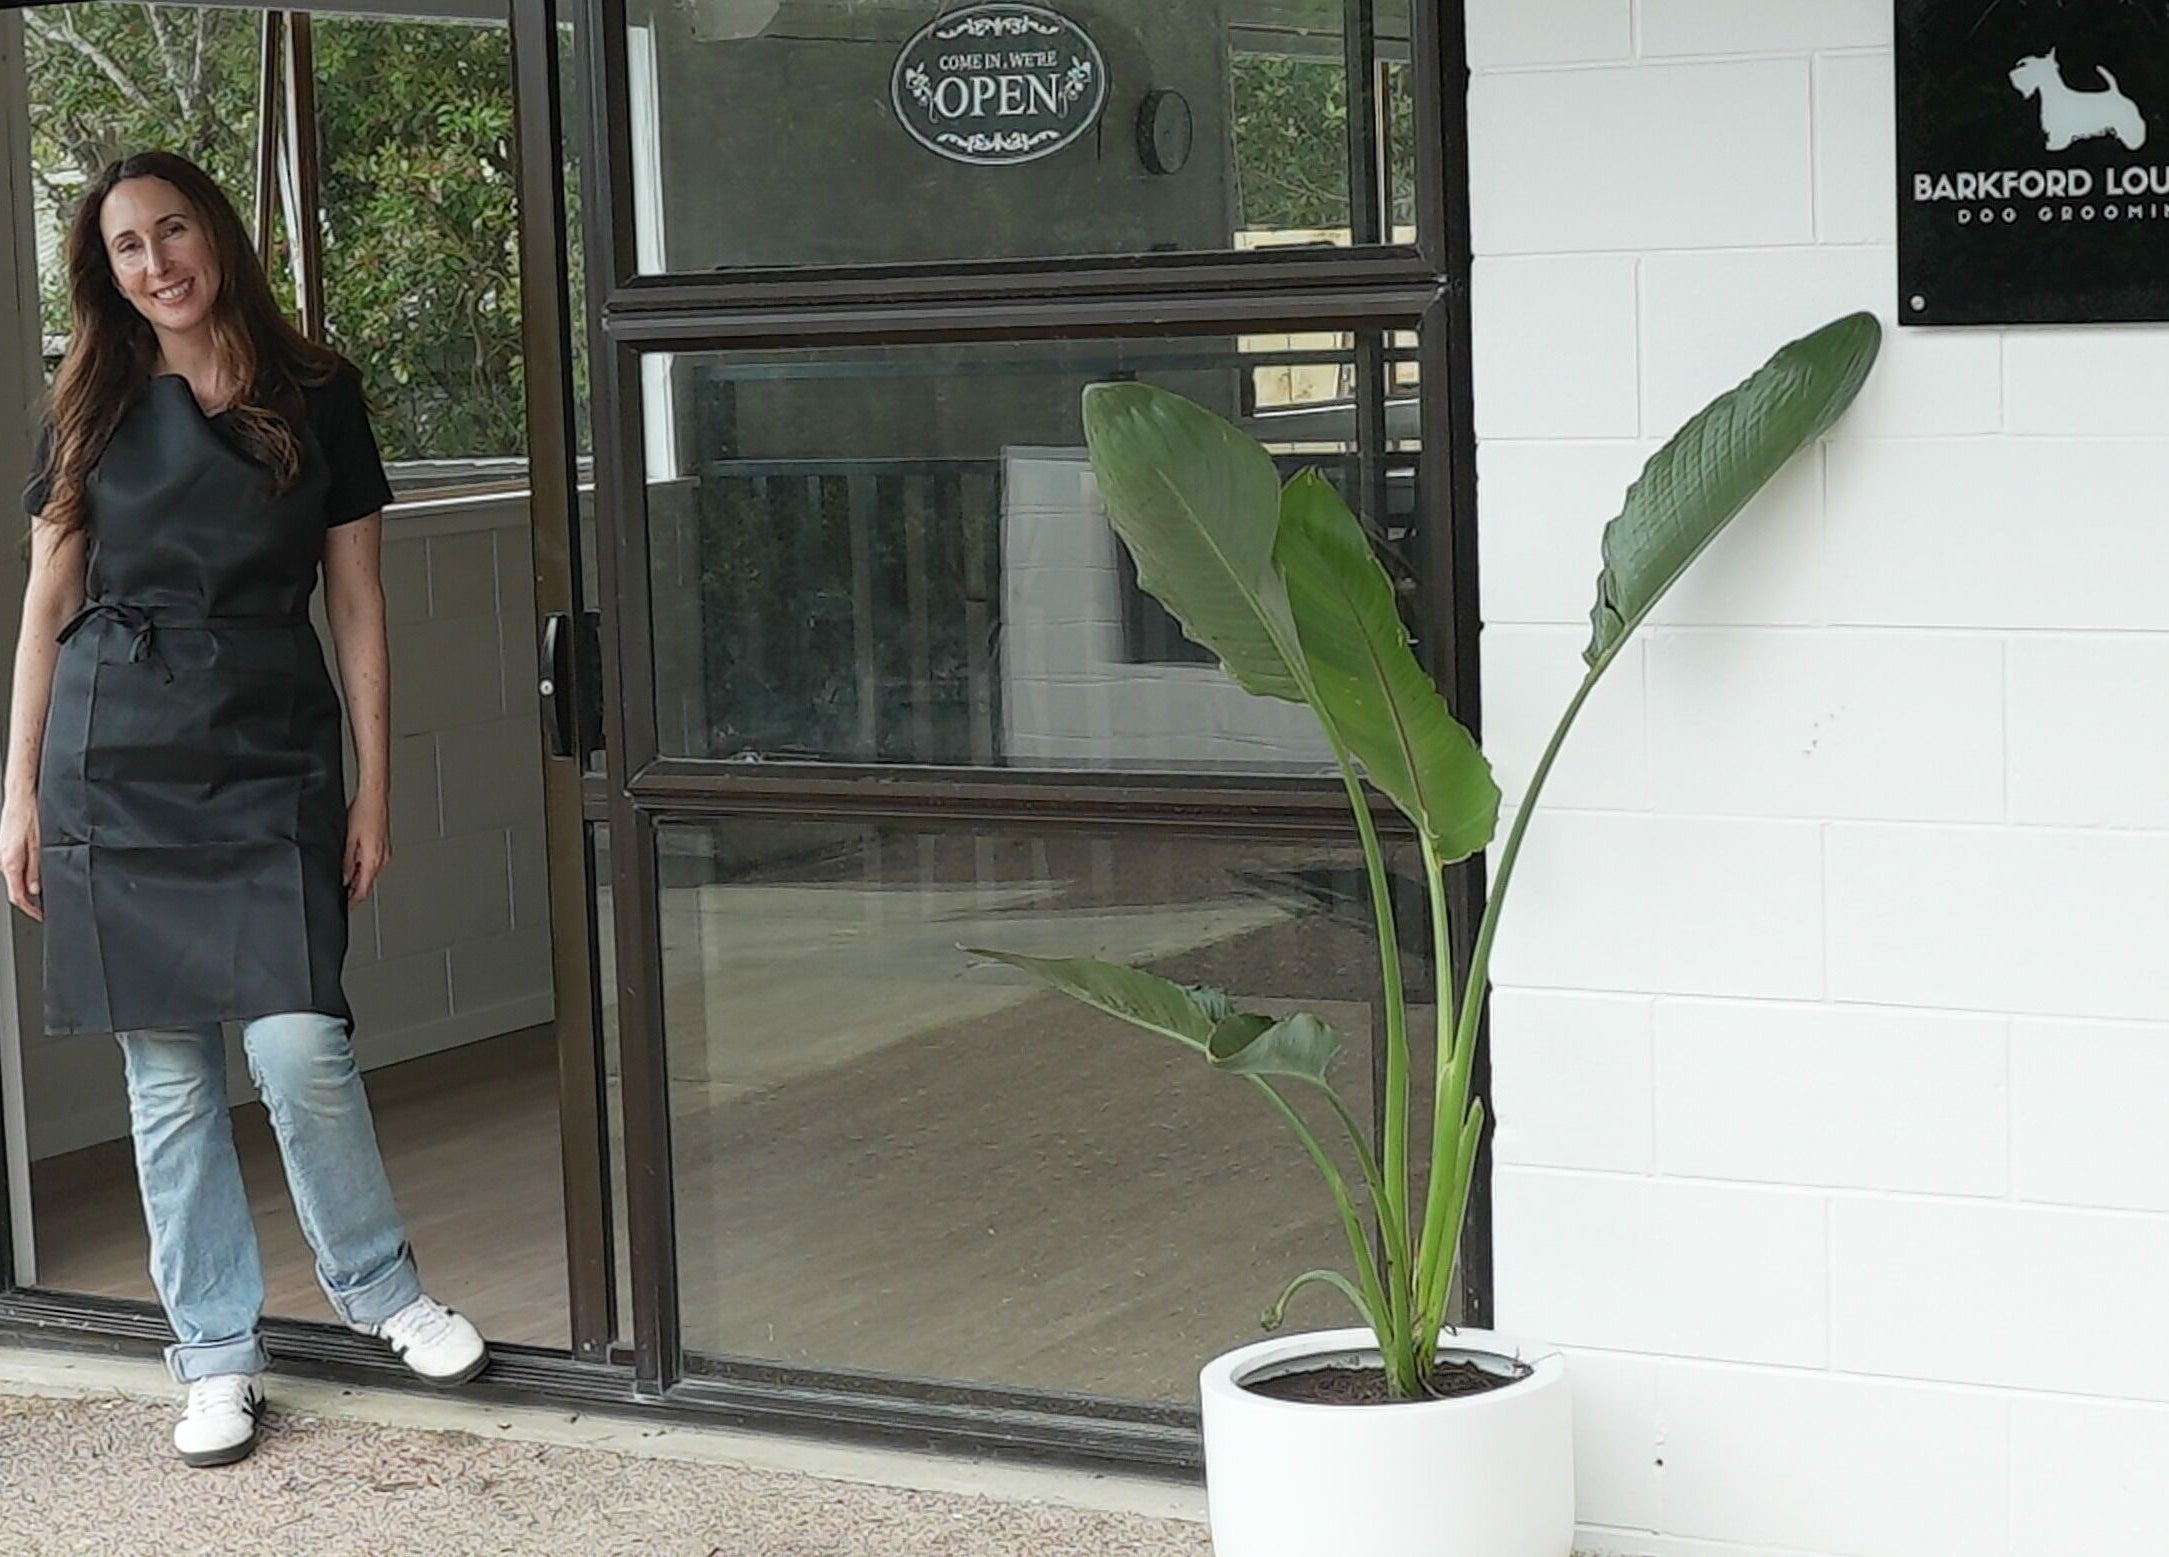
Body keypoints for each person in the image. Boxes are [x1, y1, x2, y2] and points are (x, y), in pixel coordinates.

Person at [0, 150, 488, 1468]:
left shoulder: (320, 393)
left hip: (272, 748)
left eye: (173, 232)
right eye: (126, 247)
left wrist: (376, 787)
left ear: (216, 234)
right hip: (114, 757)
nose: (156, 263)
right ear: (103, 273)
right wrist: (17, 792)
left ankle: (382, 1290)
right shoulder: (90, 400)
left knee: (299, 1047)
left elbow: (360, 606)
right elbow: (49, 607)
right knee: (166, 1083)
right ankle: (214, 1355)